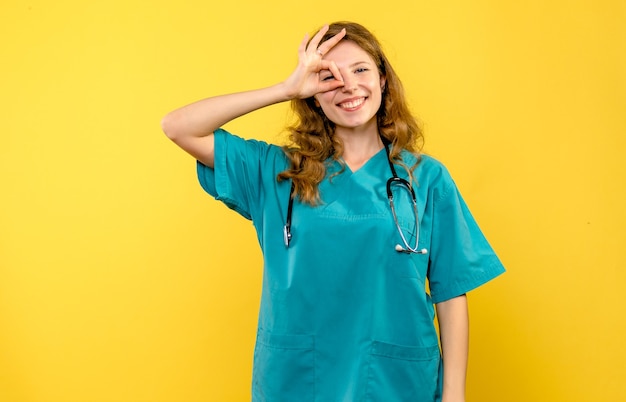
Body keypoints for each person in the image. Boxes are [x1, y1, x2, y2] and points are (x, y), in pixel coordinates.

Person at [162, 21, 505, 402]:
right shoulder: (276, 171)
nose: (348, 86)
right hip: (298, 383)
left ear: (383, 79)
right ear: (313, 94)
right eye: (329, 76)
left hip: (397, 382)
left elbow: (451, 290)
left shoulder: (426, 178)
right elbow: (178, 127)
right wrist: (285, 88)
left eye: (360, 70)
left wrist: (454, 395)